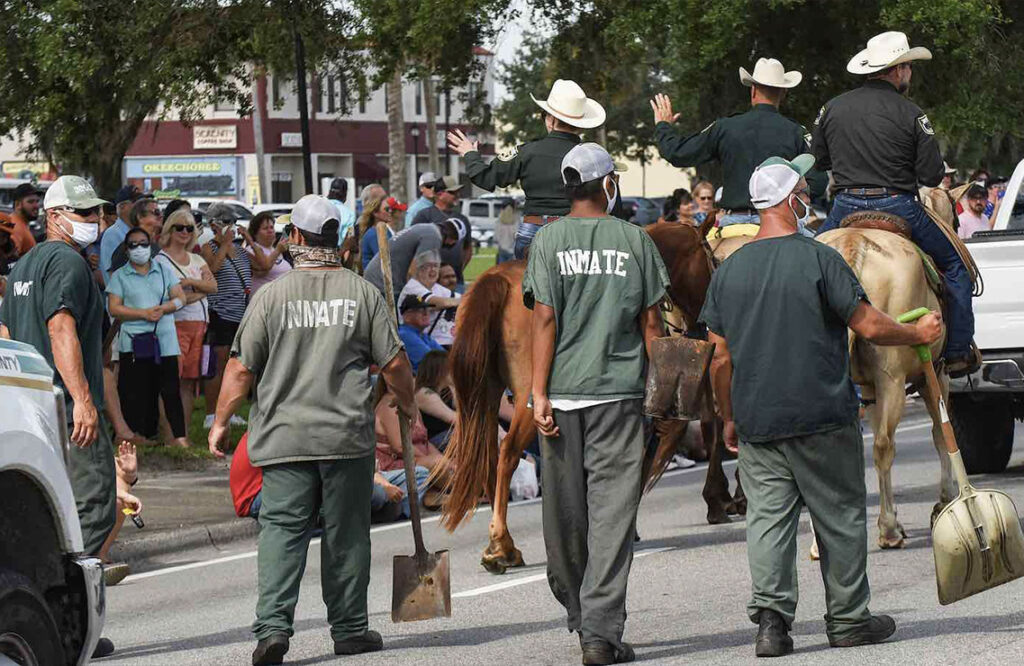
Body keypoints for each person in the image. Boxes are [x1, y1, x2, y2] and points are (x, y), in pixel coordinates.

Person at [699, 153, 944, 656]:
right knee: (840, 516)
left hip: (758, 417)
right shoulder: (821, 260)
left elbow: (719, 357)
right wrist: (916, 332)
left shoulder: (730, 270)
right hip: (822, 414)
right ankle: (849, 619)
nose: (809, 199)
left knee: (768, 522)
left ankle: (772, 625)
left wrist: (729, 415)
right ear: (790, 201)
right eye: (803, 193)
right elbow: (869, 325)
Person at [209, 194, 418, 663]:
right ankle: (350, 629)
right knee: (347, 534)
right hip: (345, 438)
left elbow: (240, 369)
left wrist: (220, 422)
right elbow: (395, 364)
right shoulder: (363, 293)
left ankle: (273, 630)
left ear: (296, 237)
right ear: (335, 237)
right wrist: (409, 405)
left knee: (282, 532)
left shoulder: (270, 296)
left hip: (284, 437)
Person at [523, 142, 669, 664]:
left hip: (561, 399)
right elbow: (652, 325)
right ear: (608, 184)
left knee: (565, 517)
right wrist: (663, 392)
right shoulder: (634, 240)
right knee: (611, 515)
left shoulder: (547, 240)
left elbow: (544, 319)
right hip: (618, 397)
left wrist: (538, 392)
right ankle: (600, 631)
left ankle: (583, 615)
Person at [812, 31, 978, 377]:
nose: (910, 74)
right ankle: (958, 351)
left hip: (844, 206)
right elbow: (932, 175)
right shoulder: (913, 113)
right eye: (909, 67)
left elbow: (819, 159)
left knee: (804, 266)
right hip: (898, 205)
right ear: (899, 69)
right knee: (956, 266)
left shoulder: (832, 107)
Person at [0, 175, 118, 659]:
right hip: (68, 411)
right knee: (94, 507)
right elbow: (60, 328)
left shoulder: (22, 266)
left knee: (53, 512)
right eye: (84, 212)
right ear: (54, 216)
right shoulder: (68, 261)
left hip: (31, 409)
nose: (95, 220)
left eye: (97, 212)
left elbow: (7, 333)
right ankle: (69, 621)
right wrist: (83, 400)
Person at [653, 58, 826, 230]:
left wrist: (663, 126)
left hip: (732, 222)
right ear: (783, 93)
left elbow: (678, 153)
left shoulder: (724, 127)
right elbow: (818, 181)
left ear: (753, 91)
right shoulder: (796, 132)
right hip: (778, 222)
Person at [449, 79, 606, 259]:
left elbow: (486, 178)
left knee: (529, 277)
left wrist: (470, 154)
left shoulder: (526, 152)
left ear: (551, 119)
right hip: (576, 232)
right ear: (580, 125)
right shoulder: (592, 157)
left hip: (533, 231)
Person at [107, 227, 191, 447]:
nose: (139, 248)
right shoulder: (120, 275)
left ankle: (179, 438)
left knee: (170, 390)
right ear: (127, 249)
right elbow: (114, 308)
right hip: (133, 344)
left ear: (150, 245)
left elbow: (180, 298)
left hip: (165, 342)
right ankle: (137, 436)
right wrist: (143, 314)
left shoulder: (164, 270)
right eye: (133, 244)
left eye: (143, 243)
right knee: (135, 392)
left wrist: (165, 308)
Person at [155, 209, 217, 430]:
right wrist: (200, 292)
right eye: (179, 227)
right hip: (174, 325)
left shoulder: (197, 259)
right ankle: (170, 434)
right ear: (169, 229)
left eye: (189, 228)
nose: (184, 232)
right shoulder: (161, 260)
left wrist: (190, 283)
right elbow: (167, 297)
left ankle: (184, 434)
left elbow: (213, 286)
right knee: (171, 381)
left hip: (199, 325)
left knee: (189, 383)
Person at [200, 201, 253, 429]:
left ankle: (230, 412)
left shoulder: (240, 250)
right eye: (227, 222)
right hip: (220, 314)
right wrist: (224, 244)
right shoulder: (208, 247)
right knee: (217, 365)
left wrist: (249, 240)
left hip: (241, 315)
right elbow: (213, 268)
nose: (232, 226)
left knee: (235, 367)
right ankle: (211, 413)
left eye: (234, 222)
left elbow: (262, 265)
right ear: (214, 225)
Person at [363, 218, 461, 300]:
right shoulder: (434, 237)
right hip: (383, 284)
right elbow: (416, 271)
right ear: (452, 240)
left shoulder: (425, 228)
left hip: (375, 278)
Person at [397, 250, 460, 348]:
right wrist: (460, 301)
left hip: (433, 340)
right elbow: (436, 303)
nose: (433, 270)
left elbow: (458, 298)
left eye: (436, 266)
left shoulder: (436, 287)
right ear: (418, 270)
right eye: (428, 266)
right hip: (416, 338)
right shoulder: (413, 287)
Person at [414, 350, 457, 447]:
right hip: (433, 440)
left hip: (448, 433)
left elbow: (466, 410)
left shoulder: (446, 389)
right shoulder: (424, 393)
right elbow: (453, 418)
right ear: (440, 371)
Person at [110, 197, 164, 273]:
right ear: (140, 217)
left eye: (161, 212)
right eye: (156, 212)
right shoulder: (127, 248)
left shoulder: (156, 245)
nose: (161, 215)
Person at [100, 184, 141, 280]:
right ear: (122, 207)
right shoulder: (112, 235)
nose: (141, 206)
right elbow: (114, 276)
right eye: (136, 202)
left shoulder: (137, 232)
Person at [246, 211, 291, 293]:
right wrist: (278, 250)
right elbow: (263, 270)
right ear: (255, 233)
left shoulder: (274, 249)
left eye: (271, 227)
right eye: (265, 228)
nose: (270, 231)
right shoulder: (252, 250)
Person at [397, 294, 445, 372]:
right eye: (420, 310)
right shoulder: (405, 335)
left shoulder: (422, 335)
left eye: (427, 309)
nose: (426, 314)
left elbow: (446, 358)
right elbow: (432, 362)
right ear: (407, 316)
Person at [358, 195, 398, 272]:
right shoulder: (373, 234)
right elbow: (385, 259)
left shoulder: (386, 230)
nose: (390, 211)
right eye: (387, 209)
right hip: (375, 277)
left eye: (391, 209)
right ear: (375, 213)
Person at [8, 182, 43, 256]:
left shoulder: (20, 224)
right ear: (18, 205)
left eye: (37, 201)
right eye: (31, 202)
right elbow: (9, 259)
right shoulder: (16, 227)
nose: (36, 206)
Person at [327, 178, 358, 243]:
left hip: (317, 248)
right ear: (345, 194)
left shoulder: (320, 207)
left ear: (329, 192)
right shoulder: (350, 215)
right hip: (339, 248)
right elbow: (350, 237)